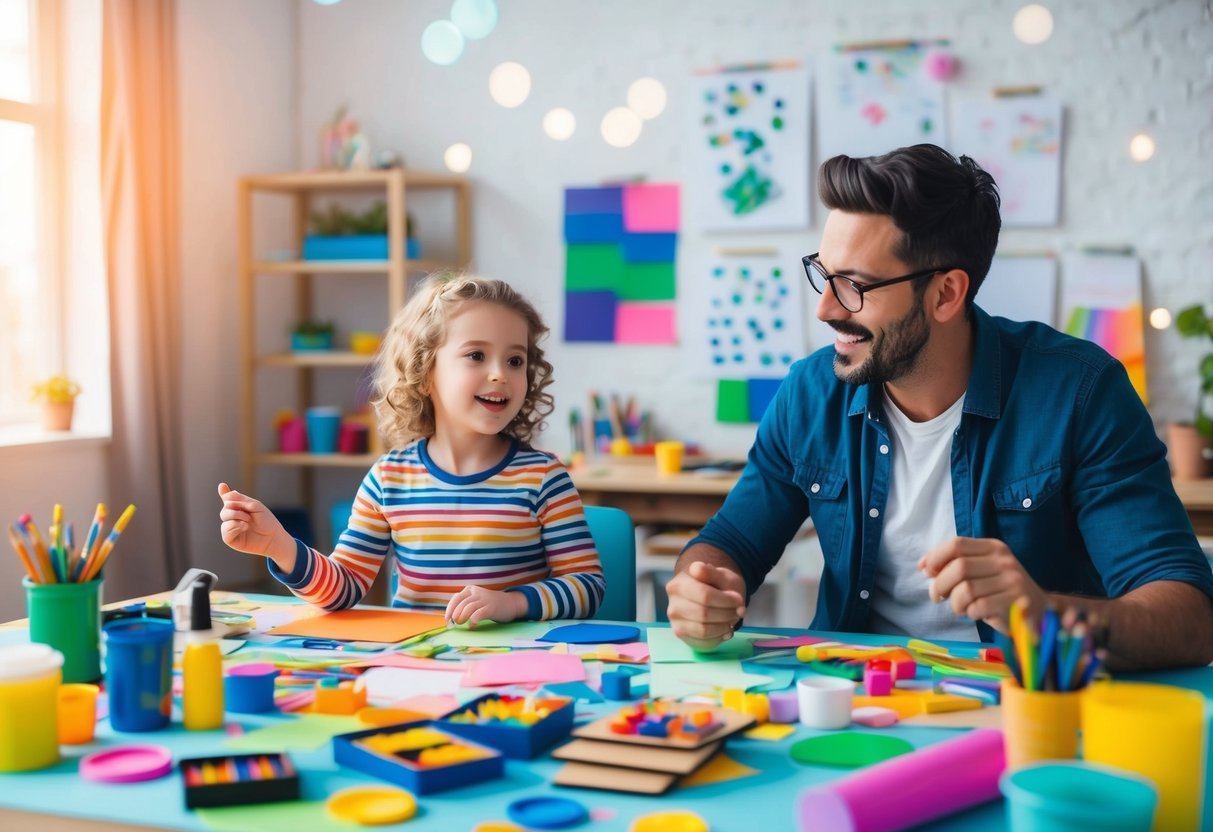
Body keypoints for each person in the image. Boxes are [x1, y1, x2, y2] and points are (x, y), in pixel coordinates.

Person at [668, 144, 1213, 670]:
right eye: (822, 273)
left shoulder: (1079, 393)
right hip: (849, 698)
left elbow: (1189, 618)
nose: (825, 308)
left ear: (947, 293)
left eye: (854, 285)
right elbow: (728, 544)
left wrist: (1041, 615)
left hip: (1026, 702)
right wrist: (701, 586)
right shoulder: (810, 392)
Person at [219, 273, 605, 625]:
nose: (499, 373)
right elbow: (343, 588)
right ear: (424, 375)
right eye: (476, 355)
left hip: (516, 671)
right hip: (415, 670)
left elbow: (588, 586)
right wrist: (280, 546)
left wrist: (512, 603)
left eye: (515, 360)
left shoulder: (544, 478)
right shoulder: (389, 479)